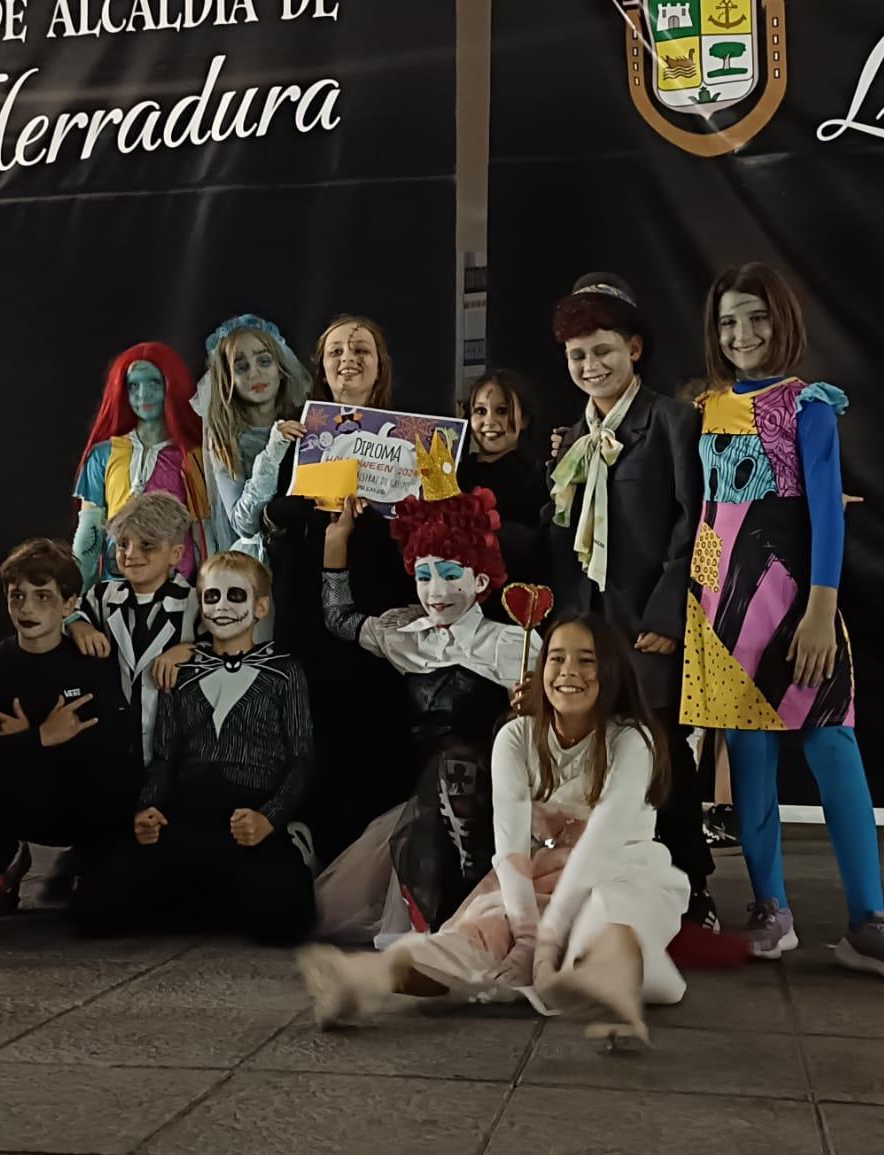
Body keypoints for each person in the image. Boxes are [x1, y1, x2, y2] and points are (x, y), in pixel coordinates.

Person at [680, 262, 884, 984]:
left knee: (835, 750)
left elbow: (828, 513)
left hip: (798, 606)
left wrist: (821, 611)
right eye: (728, 320)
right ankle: (770, 908)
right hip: (718, 609)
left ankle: (870, 919)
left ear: (783, 320)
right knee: (751, 766)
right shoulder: (703, 407)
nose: (742, 333)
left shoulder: (809, 405)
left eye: (756, 317)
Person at [296, 615, 689, 1052]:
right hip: (539, 874)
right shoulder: (517, 736)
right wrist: (526, 937)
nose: (569, 672)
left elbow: (603, 840)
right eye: (557, 659)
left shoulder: (632, 740)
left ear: (612, 671)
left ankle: (611, 995)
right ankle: (365, 979)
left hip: (619, 871)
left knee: (604, 926)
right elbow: (511, 844)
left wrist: (546, 945)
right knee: (478, 936)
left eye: (586, 660)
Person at [542, 273, 719, 933]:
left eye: (603, 350)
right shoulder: (572, 440)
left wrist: (668, 615)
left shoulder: (673, 422)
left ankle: (694, 886)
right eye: (578, 355)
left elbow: (694, 524)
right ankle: (617, 890)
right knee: (598, 757)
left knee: (662, 752)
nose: (591, 366)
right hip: (589, 626)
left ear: (634, 349)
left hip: (648, 624)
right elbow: (562, 534)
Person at [311, 489, 535, 940]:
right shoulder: (407, 636)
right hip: (426, 797)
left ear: (479, 581)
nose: (436, 591)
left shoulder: (509, 644)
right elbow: (339, 618)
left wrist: (533, 704)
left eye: (450, 575)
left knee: (460, 765)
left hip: (496, 794)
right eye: (424, 575)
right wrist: (337, 541)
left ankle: (479, 894)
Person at [73, 551, 318, 946]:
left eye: (235, 596)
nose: (222, 607)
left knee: (286, 919)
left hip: (249, 813)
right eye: (211, 597)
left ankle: (247, 875)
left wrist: (269, 818)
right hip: (187, 812)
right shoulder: (181, 673)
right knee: (91, 910)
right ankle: (212, 899)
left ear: (260, 607)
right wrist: (148, 808)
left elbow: (301, 760)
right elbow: (164, 757)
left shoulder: (283, 672)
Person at [262, 315, 416, 861]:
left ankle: (375, 865)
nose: (348, 359)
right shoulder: (298, 437)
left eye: (361, 350)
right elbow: (269, 521)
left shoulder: (412, 439)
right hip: (309, 613)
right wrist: (285, 509)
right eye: (336, 351)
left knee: (375, 729)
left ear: (380, 366)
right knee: (313, 731)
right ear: (322, 368)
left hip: (379, 607)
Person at [0, 538, 141, 916]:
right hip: (19, 798)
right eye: (17, 596)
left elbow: (117, 748)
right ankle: (3, 863)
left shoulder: (92, 663)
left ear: (69, 604)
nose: (27, 608)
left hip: (79, 802)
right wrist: (38, 738)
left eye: (43, 596)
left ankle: (91, 862)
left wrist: (52, 742)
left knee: (100, 904)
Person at [67, 493, 199, 765]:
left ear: (175, 554)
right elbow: (64, 614)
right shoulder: (102, 596)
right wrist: (77, 625)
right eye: (123, 544)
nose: (131, 554)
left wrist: (189, 650)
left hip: (175, 749)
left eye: (147, 545)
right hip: (112, 747)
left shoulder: (195, 603)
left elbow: (224, 650)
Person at [73, 342, 211, 587]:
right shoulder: (103, 455)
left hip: (177, 589)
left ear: (171, 386)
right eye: (133, 386)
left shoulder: (194, 457)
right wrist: (77, 593)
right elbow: (89, 532)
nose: (143, 394)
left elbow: (205, 535)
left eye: (154, 383)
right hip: (116, 587)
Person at [197, 314, 312, 560]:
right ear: (228, 378)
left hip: (306, 550)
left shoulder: (306, 420)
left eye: (264, 361)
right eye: (241, 367)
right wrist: (272, 454)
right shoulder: (225, 437)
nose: (254, 374)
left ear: (280, 369)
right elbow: (244, 524)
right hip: (259, 563)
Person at [458, 369, 551, 598]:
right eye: (480, 411)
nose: (489, 421)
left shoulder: (540, 477)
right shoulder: (454, 474)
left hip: (512, 599)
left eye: (502, 411)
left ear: (524, 419)